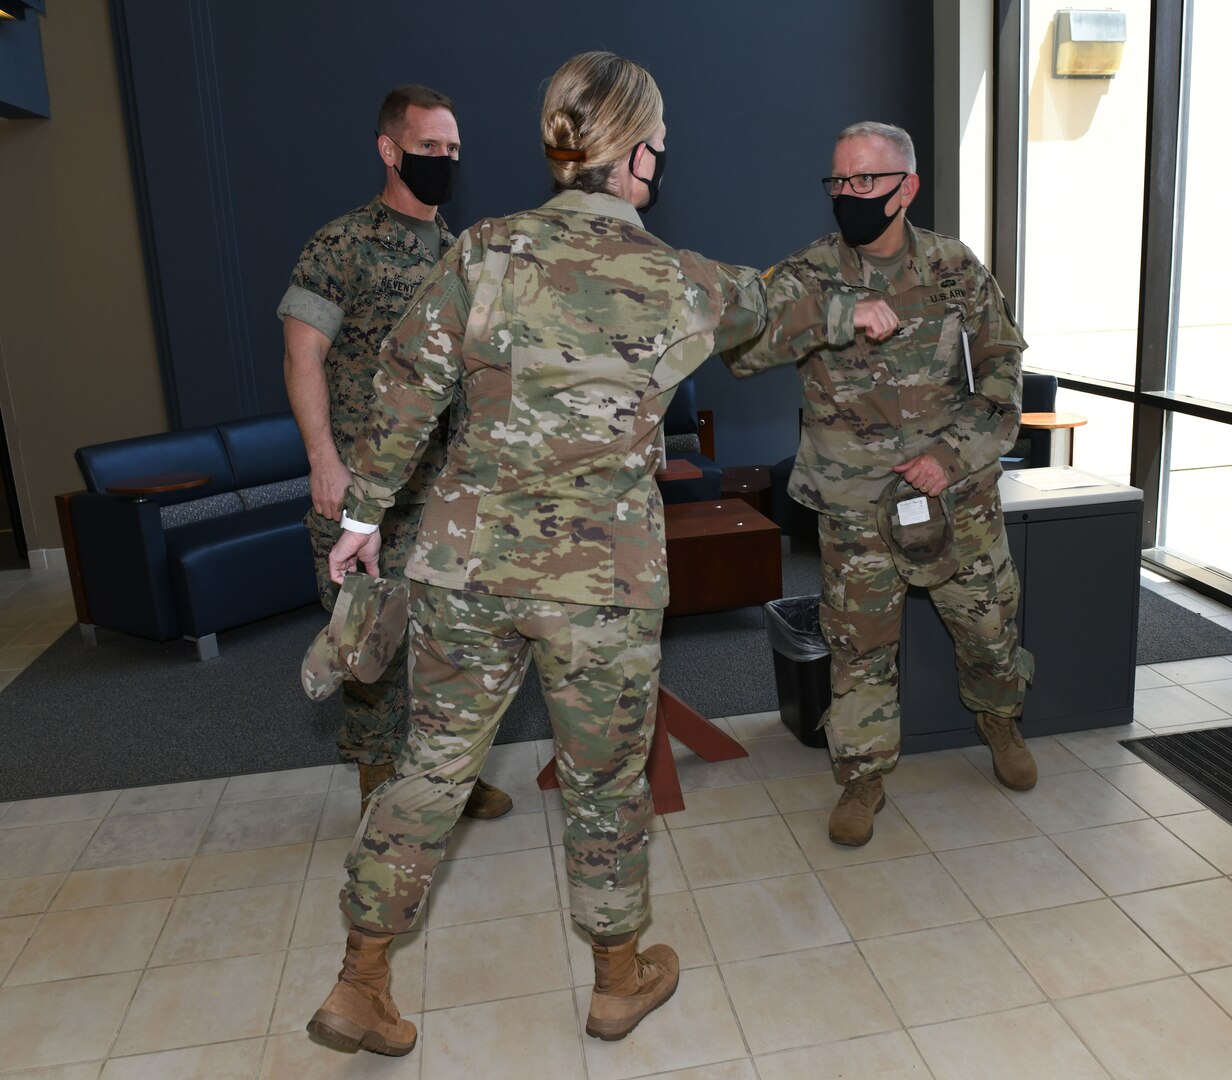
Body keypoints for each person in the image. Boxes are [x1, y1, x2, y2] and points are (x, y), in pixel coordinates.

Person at [304, 53, 897, 1057]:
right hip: (602, 586)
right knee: (606, 781)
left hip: (466, 568)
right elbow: (779, 309)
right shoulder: (675, 278)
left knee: (430, 771)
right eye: (656, 146)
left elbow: (406, 387)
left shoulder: (482, 251)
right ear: (638, 155)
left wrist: (362, 517)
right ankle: (617, 982)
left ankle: (360, 982)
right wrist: (860, 311)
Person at [727, 120, 1037, 849]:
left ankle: (999, 718)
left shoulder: (955, 267)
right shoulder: (808, 275)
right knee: (858, 648)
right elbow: (740, 349)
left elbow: (1002, 368)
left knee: (990, 629)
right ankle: (862, 776)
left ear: (908, 188)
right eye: (838, 181)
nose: (848, 194)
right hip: (856, 504)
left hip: (955, 497)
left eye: (866, 180)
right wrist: (833, 315)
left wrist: (955, 457)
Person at [279, 85, 511, 821]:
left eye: (452, 151)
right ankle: (380, 782)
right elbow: (301, 354)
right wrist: (324, 461)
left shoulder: (460, 253)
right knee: (370, 646)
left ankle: (449, 776)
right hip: (363, 491)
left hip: (445, 494)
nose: (443, 161)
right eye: (429, 148)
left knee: (453, 649)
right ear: (390, 149)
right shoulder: (341, 244)